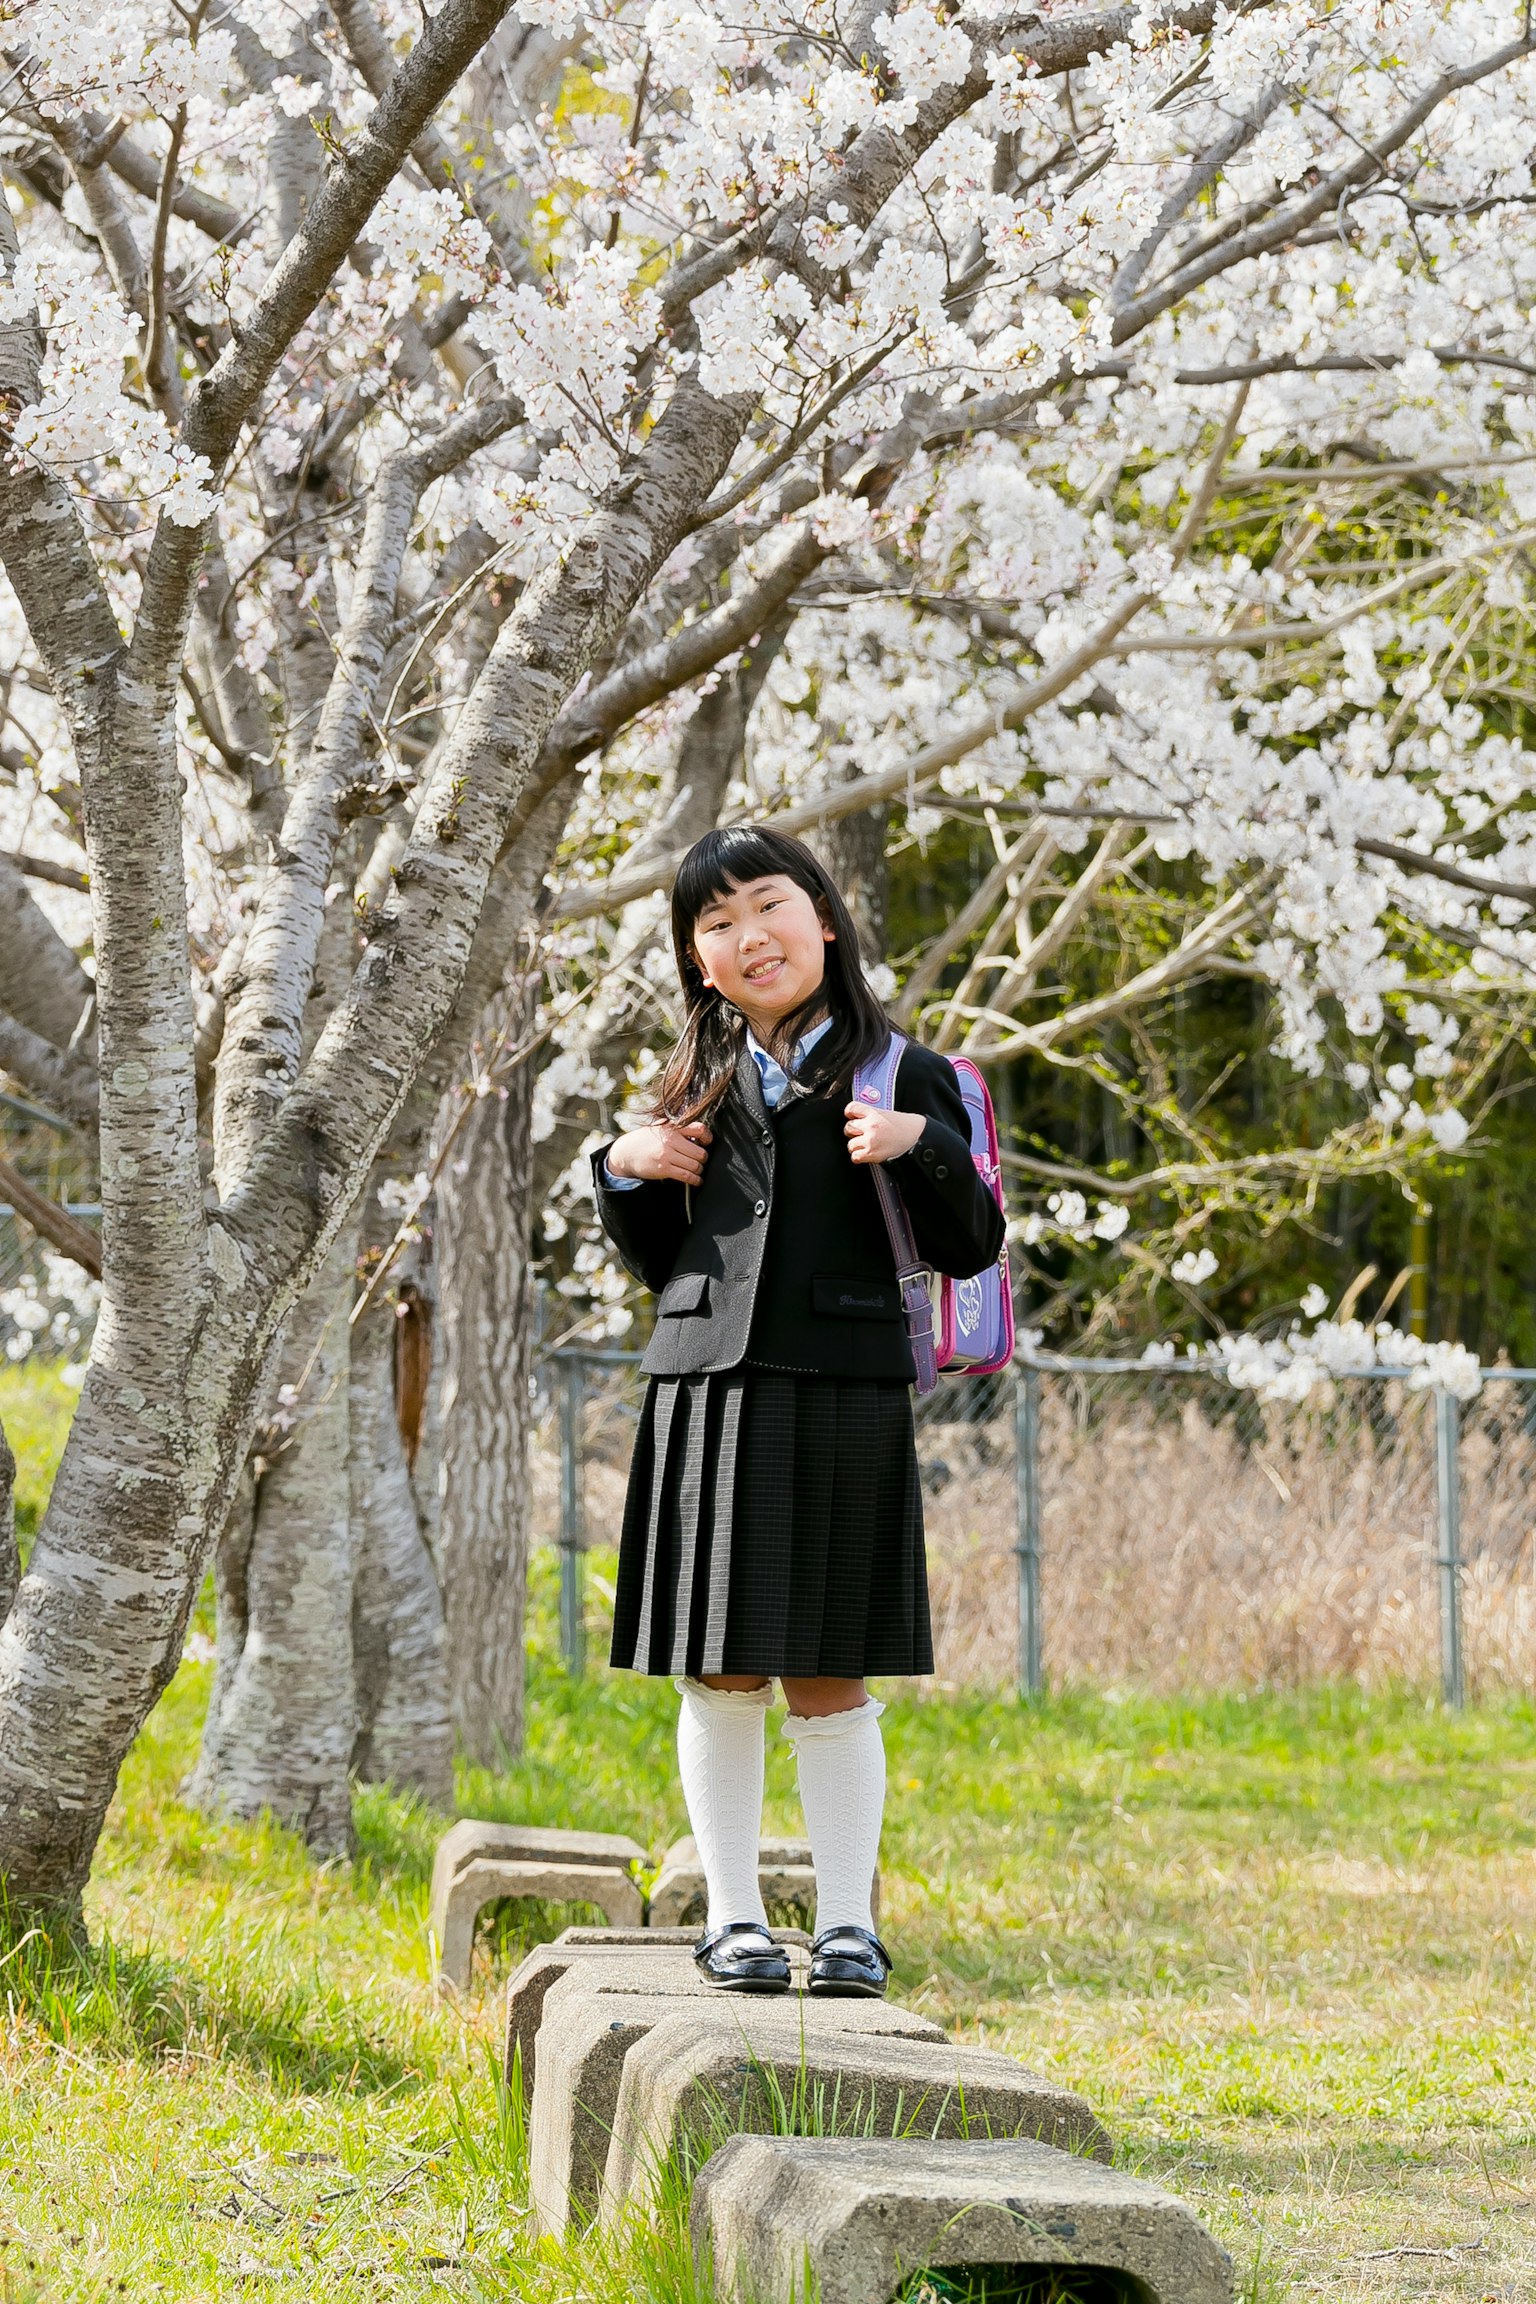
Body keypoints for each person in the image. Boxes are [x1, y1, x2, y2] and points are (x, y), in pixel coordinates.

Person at [593, 825, 1005, 1998]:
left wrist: (923, 1147)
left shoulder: (903, 1074)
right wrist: (623, 1166)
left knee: (831, 1670)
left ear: (823, 918)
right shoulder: (694, 1081)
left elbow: (973, 1241)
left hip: (845, 1393)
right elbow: (662, 1261)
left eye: (764, 906)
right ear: (697, 960)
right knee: (720, 1668)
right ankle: (729, 1920)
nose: (744, 936)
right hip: (708, 1390)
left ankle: (846, 1927)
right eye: (713, 925)